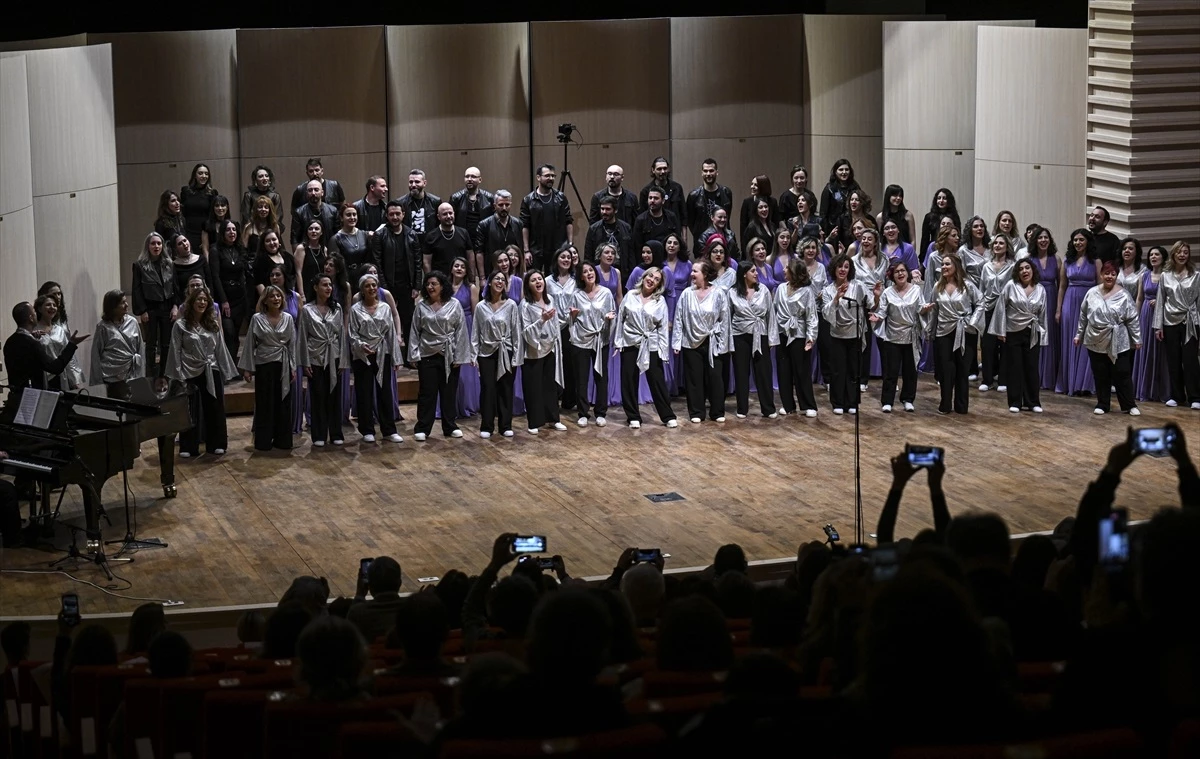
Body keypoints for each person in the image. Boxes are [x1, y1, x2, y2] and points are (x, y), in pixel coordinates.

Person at [166, 287, 237, 457]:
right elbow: (175, 350)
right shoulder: (180, 325)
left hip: (211, 368)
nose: (202, 302)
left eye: (205, 300)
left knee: (215, 407)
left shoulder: (212, 324)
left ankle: (217, 443)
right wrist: (178, 374)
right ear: (191, 302)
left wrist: (226, 371)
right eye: (199, 299)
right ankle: (188, 446)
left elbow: (220, 348)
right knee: (190, 409)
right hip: (189, 369)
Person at [410, 270, 473, 441]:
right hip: (427, 354)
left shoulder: (454, 304)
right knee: (427, 393)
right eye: (428, 284)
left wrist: (460, 356)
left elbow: (461, 331)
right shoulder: (421, 306)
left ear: (442, 286)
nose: (430, 287)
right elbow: (415, 331)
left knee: (449, 392)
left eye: (433, 284)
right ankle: (423, 427)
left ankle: (450, 426)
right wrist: (414, 355)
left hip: (449, 354)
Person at [613, 267, 676, 428]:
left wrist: (664, 351)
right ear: (644, 277)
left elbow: (662, 328)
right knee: (628, 379)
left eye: (656, 279)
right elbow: (621, 319)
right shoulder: (630, 296)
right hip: (630, 341)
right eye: (650, 276)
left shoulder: (659, 301)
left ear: (658, 285)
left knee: (657, 380)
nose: (651, 280)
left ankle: (667, 415)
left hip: (651, 343)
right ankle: (633, 416)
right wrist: (618, 342)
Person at [1077, 261, 1143, 416]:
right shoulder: (1091, 292)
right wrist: (1078, 334)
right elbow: (1083, 316)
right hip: (1095, 338)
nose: (1109, 276)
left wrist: (1137, 338)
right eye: (1106, 273)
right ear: (1101, 275)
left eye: (1113, 274)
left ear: (1117, 276)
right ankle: (1102, 403)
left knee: (1122, 372)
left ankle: (1129, 404)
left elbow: (1132, 318)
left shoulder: (1124, 294)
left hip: (1118, 338)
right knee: (1100, 372)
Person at [239, 285, 298, 451]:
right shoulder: (257, 318)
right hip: (264, 364)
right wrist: (248, 369)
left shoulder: (288, 318)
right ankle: (264, 441)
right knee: (265, 403)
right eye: (272, 296)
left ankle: (283, 440)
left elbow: (292, 344)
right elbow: (250, 343)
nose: (276, 299)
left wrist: (293, 367)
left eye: (278, 296)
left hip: (284, 364)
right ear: (265, 300)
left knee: (283, 402)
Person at [673, 259, 732, 423]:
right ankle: (697, 412)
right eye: (691, 271)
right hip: (691, 341)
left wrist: (724, 344)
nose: (691, 274)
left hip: (713, 340)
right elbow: (679, 319)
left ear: (705, 274)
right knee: (694, 378)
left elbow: (724, 319)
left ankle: (717, 411)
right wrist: (677, 343)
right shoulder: (686, 294)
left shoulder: (718, 293)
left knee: (715, 377)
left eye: (695, 271)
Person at [2, 303, 88, 414]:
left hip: (15, 400)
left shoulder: (10, 342)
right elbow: (55, 368)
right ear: (31, 318)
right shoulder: (32, 343)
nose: (36, 314)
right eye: (34, 311)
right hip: (31, 401)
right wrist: (71, 345)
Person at [822, 253, 879, 415]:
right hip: (837, 335)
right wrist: (836, 298)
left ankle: (852, 402)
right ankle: (838, 402)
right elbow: (826, 313)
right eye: (840, 266)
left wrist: (876, 297)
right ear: (834, 269)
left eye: (846, 267)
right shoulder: (828, 290)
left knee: (853, 369)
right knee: (838, 370)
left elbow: (871, 306)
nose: (843, 269)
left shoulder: (858, 286)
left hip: (855, 333)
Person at [349, 273, 402, 444]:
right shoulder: (355, 310)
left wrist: (396, 357)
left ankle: (389, 429)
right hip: (362, 356)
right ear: (362, 290)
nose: (371, 288)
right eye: (367, 286)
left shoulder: (385, 308)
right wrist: (360, 346)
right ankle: (367, 429)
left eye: (374, 285)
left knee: (385, 391)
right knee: (364, 392)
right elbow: (352, 333)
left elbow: (391, 334)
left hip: (382, 352)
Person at [928, 255, 985, 415]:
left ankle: (961, 406)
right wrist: (930, 332)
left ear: (956, 266)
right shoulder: (937, 286)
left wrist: (973, 322)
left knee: (962, 368)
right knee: (946, 370)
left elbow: (981, 302)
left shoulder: (968, 285)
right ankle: (945, 404)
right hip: (943, 332)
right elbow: (934, 311)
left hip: (965, 331)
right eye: (942, 264)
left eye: (947, 264)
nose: (943, 267)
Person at [989, 258, 1048, 413]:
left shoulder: (1041, 289)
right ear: (1017, 272)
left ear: (1033, 270)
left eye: (1027, 268)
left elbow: (1043, 315)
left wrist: (1043, 335)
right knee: (1015, 367)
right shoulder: (1010, 286)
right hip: (1013, 331)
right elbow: (1001, 308)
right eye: (1021, 269)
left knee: (1031, 367)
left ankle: (1033, 401)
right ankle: (1015, 401)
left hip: (1032, 332)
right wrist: (1000, 331)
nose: (1024, 271)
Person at [298, 275, 346, 447]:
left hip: (334, 355)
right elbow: (302, 336)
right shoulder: (307, 310)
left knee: (334, 396)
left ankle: (336, 433)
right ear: (315, 287)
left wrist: (343, 360)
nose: (328, 288)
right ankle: (319, 434)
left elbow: (341, 334)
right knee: (318, 396)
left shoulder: (337, 308)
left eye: (330, 285)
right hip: (315, 356)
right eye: (324, 285)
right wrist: (305, 362)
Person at [871, 263, 925, 413]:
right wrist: (877, 317)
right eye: (897, 272)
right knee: (890, 371)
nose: (900, 274)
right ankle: (887, 401)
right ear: (892, 275)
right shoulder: (888, 292)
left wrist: (925, 309)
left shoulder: (916, 290)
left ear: (907, 273)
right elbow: (882, 310)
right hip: (892, 336)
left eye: (902, 271)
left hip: (911, 335)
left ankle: (908, 399)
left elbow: (920, 307)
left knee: (910, 370)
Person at [473, 270, 522, 438]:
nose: (500, 281)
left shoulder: (511, 305)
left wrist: (516, 355)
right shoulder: (481, 306)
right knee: (487, 388)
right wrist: (474, 355)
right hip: (486, 351)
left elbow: (516, 331)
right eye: (496, 279)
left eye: (503, 279)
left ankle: (505, 425)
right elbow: (475, 332)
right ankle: (486, 426)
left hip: (506, 350)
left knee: (506, 388)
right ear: (489, 283)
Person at [1152, 240, 1200, 409]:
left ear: (1189, 255)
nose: (1182, 255)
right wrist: (1158, 326)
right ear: (1173, 254)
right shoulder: (1166, 275)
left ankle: (1195, 397)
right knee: (1173, 359)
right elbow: (1160, 301)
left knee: (1191, 360)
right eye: (1179, 252)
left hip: (1190, 321)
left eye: (1185, 252)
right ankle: (1176, 395)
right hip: (1170, 321)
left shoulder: (1196, 275)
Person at [568, 261, 616, 427]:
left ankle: (601, 412)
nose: (589, 273)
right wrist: (573, 315)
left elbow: (612, 312)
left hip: (600, 339)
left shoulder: (606, 293)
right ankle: (583, 413)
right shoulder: (577, 294)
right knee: (581, 378)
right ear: (581, 276)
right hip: (581, 340)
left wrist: (610, 318)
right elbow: (571, 320)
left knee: (601, 377)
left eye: (591, 270)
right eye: (585, 271)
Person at [519, 271, 567, 434]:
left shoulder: (550, 300)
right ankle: (534, 421)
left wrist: (556, 343)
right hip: (533, 351)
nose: (538, 282)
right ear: (528, 285)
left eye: (540, 279)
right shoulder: (525, 305)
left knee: (550, 386)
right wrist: (542, 320)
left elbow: (555, 324)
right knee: (533, 387)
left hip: (549, 348)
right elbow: (525, 331)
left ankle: (554, 419)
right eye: (533, 280)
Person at [774, 259, 819, 418]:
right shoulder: (780, 288)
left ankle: (808, 404)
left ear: (794, 273)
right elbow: (775, 311)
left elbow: (812, 316)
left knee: (801, 371)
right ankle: (788, 405)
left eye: (787, 268)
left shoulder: (807, 292)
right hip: (782, 334)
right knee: (783, 371)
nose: (784, 270)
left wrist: (810, 338)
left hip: (799, 335)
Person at [1059, 229, 1101, 396]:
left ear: (1088, 241)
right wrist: (1058, 309)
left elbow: (1100, 285)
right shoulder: (1067, 261)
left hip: (1089, 302)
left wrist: (1098, 308)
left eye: (1081, 240)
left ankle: (1084, 384)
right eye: (1075, 240)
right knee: (1070, 340)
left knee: (1087, 341)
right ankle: (1069, 382)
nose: (1078, 243)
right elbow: (1062, 286)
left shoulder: (1096, 261)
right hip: (1070, 301)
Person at [130, 231, 175, 377]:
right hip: (150, 309)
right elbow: (136, 290)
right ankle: (151, 374)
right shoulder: (139, 265)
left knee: (166, 344)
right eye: (153, 243)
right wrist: (142, 311)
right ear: (147, 246)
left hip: (167, 307)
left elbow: (175, 287)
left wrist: (175, 306)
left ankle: (165, 374)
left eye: (159, 243)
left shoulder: (169, 264)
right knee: (151, 344)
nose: (156, 246)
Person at [210, 219, 254, 362]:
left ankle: (233, 365)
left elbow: (242, 274)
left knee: (235, 334)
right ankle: (225, 365)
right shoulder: (215, 250)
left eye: (234, 230)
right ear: (222, 232)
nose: (231, 232)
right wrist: (223, 301)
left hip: (240, 297)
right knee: (228, 332)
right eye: (228, 230)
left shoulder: (239, 249)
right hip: (225, 296)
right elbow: (215, 276)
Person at [978, 234, 1017, 392]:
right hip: (988, 307)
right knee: (987, 346)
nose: (998, 246)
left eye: (1001, 243)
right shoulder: (986, 266)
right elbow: (981, 287)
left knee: (1005, 345)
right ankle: (987, 380)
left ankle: (1003, 379)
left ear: (1007, 246)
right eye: (995, 243)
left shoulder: (1013, 266)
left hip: (1005, 310)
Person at [521, 165, 573, 273]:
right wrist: (526, 250)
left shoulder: (561, 198)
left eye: (553, 176)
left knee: (556, 278)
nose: (551, 178)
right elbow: (525, 226)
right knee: (534, 278)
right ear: (538, 177)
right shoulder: (528, 200)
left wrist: (570, 244)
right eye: (547, 176)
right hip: (536, 249)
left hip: (557, 247)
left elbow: (568, 221)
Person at [90, 289, 146, 388]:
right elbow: (96, 355)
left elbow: (140, 349)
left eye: (126, 301)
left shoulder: (133, 322)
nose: (127, 305)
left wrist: (141, 375)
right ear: (113, 307)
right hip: (109, 377)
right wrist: (98, 383)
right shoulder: (103, 327)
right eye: (122, 303)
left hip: (131, 375)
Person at [1135, 246, 1169, 402]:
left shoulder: (1167, 276)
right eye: (1151, 255)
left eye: (1157, 254)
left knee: (1160, 351)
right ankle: (1144, 389)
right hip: (1145, 315)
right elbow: (1140, 298)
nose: (1153, 257)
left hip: (1161, 316)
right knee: (1144, 349)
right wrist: (1135, 317)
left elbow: (1172, 297)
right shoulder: (1144, 275)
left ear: (1163, 257)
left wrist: (1162, 302)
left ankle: (1159, 389)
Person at [346, 556, 404, 643]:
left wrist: (359, 595)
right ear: (399, 583)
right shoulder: (413, 610)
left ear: (369, 585)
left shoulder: (358, 613)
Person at [34, 296, 85, 391]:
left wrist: (75, 380)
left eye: (54, 305)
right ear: (39, 308)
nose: (52, 307)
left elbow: (68, 356)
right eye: (48, 305)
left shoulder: (59, 330)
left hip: (61, 376)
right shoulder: (34, 330)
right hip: (43, 377)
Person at [685, 158, 733, 247]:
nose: (708, 174)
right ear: (702, 173)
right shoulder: (694, 195)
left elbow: (727, 216)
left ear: (716, 172)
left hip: (724, 241)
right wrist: (699, 235)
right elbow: (691, 222)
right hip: (702, 242)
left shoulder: (726, 192)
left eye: (711, 171)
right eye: (705, 171)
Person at [474, 190, 524, 271]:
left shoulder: (518, 224)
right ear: (494, 206)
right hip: (492, 270)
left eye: (507, 205)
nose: (504, 208)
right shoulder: (484, 225)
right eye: (501, 205)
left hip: (513, 271)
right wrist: (482, 277)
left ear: (510, 205)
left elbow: (520, 250)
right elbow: (479, 252)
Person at [637, 157, 686, 233]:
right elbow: (641, 217)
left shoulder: (677, 188)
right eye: (659, 169)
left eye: (665, 168)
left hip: (673, 232)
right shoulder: (646, 191)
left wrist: (684, 238)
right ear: (653, 170)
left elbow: (683, 216)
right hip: (653, 232)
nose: (662, 172)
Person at [449, 167, 494, 244]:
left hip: (483, 238)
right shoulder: (455, 198)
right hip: (462, 238)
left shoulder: (489, 198)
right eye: (467, 176)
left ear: (480, 180)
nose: (469, 179)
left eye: (473, 176)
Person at [818, 159, 860, 242]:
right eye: (841, 170)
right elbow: (823, 214)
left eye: (846, 170)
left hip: (851, 227)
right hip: (833, 228)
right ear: (835, 172)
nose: (844, 172)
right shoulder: (829, 189)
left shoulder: (855, 187)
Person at [918, 188, 961, 263]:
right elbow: (925, 239)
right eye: (939, 198)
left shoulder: (954, 216)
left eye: (944, 198)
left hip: (951, 250)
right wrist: (922, 258)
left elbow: (958, 235)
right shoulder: (929, 217)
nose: (941, 201)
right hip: (934, 248)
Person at [397, 169, 440, 236]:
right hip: (409, 243)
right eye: (411, 182)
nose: (413, 185)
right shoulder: (401, 203)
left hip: (430, 243)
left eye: (417, 182)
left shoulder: (435, 201)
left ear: (424, 183)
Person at [739, 176, 778, 243]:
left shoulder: (772, 201)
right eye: (752, 184)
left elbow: (776, 222)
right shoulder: (747, 202)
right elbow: (743, 227)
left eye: (755, 185)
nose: (752, 187)